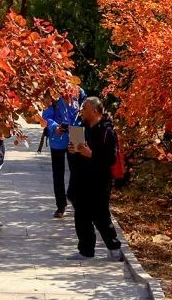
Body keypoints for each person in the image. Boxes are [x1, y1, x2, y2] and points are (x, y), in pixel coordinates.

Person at [68, 97, 123, 261]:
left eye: (84, 107)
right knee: (81, 215)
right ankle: (86, 250)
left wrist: (91, 154)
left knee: (101, 215)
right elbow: (74, 158)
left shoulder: (108, 132)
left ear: (94, 110)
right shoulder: (81, 129)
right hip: (81, 179)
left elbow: (111, 159)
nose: (81, 110)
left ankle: (114, 248)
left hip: (99, 180)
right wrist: (71, 151)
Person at [41, 85, 86, 218]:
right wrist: (55, 127)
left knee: (78, 170)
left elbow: (85, 105)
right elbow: (46, 116)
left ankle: (74, 197)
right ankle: (61, 204)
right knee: (58, 173)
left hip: (76, 133)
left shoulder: (78, 92)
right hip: (58, 136)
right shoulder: (52, 94)